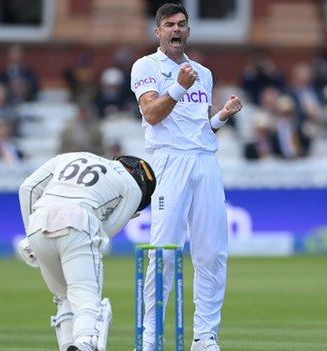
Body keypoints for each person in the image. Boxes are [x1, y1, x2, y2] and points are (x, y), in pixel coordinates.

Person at [130, 3, 242, 351]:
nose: (176, 30)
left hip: (205, 162)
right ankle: (150, 337)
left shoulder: (202, 73)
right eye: (169, 25)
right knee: (164, 252)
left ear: (188, 31)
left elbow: (199, 129)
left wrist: (221, 116)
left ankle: (205, 336)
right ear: (158, 32)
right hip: (169, 163)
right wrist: (177, 88)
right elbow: (151, 114)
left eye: (181, 24)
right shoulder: (146, 66)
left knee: (212, 253)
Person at [18, 152, 156, 351]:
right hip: (78, 221)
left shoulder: (71, 156)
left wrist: (30, 234)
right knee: (86, 296)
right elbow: (106, 232)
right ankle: (84, 343)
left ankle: (67, 346)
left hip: (38, 222)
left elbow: (27, 188)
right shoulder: (133, 187)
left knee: (64, 295)